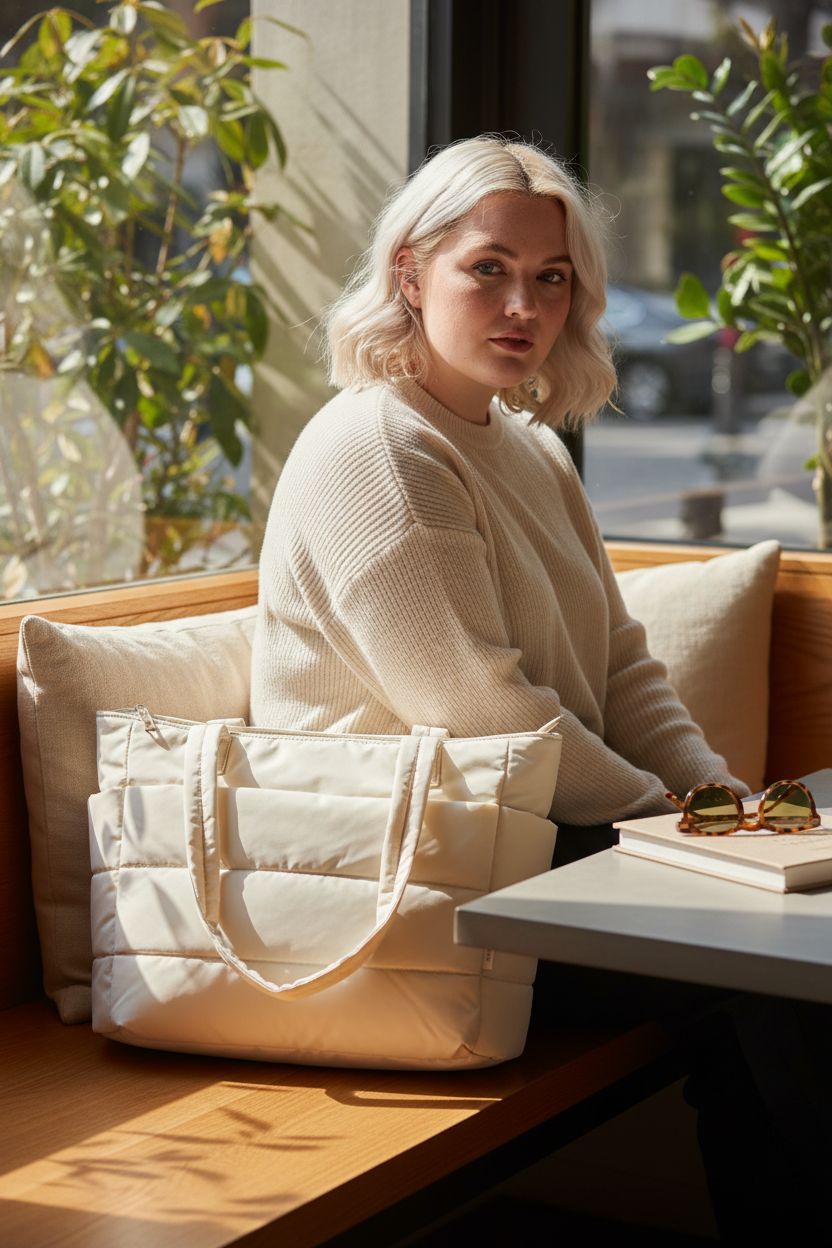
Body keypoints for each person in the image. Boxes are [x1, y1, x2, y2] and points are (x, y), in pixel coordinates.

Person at [251, 136, 829, 1240]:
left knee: (776, 975)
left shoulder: (528, 448)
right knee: (766, 978)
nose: (524, 303)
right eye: (488, 268)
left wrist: (722, 797)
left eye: (551, 277)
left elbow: (619, 664)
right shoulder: (375, 449)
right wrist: (685, 829)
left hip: (525, 847)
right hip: (405, 889)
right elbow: (487, 713)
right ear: (410, 273)